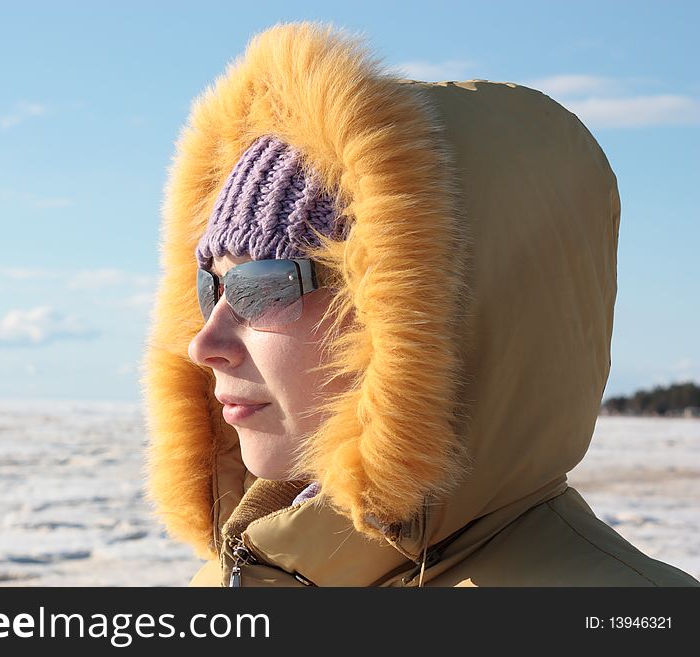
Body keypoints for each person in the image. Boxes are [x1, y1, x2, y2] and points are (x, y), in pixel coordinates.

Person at [139, 21, 699, 587]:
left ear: (415, 315)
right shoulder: (238, 576)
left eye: (260, 287)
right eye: (211, 287)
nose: (203, 344)